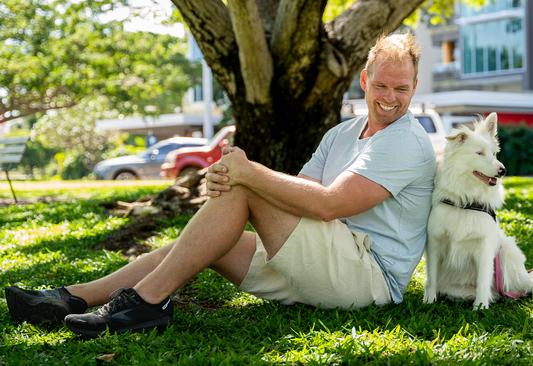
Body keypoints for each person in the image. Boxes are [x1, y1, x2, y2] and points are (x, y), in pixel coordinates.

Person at [4, 32, 435, 338]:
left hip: (367, 279)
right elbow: (297, 190)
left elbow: (327, 205)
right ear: (364, 80)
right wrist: (231, 176)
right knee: (202, 242)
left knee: (245, 189)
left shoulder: (406, 141)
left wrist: (246, 176)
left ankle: (146, 305)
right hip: (326, 255)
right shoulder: (343, 133)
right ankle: (68, 299)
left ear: (414, 87)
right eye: (381, 84)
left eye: (401, 87)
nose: (390, 97)